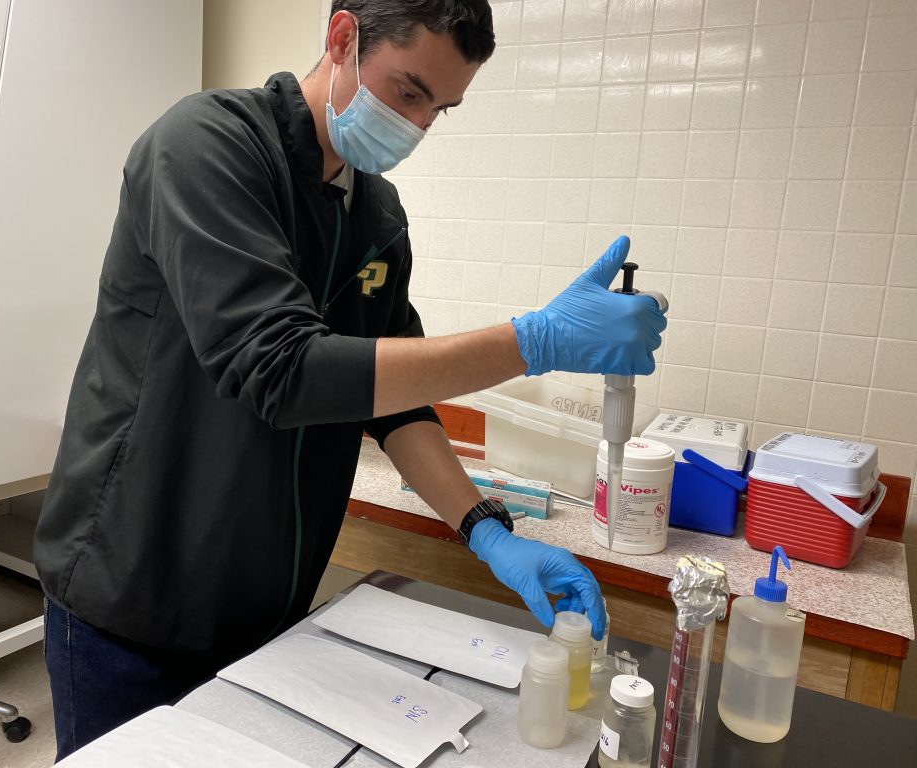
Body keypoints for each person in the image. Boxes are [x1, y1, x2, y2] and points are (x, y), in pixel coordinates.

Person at [33, 0, 665, 759]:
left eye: (441, 108)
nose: (420, 126)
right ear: (342, 38)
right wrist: (535, 342)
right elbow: (279, 368)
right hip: (134, 590)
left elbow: (395, 405)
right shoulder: (205, 146)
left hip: (266, 608)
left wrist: (487, 531)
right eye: (409, 92)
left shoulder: (375, 214)